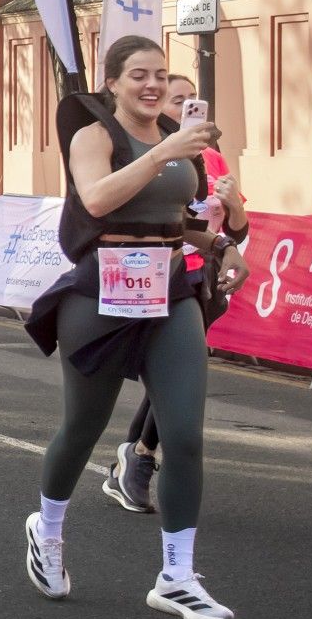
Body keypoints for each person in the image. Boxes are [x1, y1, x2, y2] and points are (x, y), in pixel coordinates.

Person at [23, 35, 250, 619]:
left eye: (160, 74)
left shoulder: (180, 140)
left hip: (169, 294)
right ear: (114, 84)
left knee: (185, 435)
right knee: (82, 427)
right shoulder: (95, 136)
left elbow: (177, 221)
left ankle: (177, 577)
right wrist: (162, 151)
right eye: (138, 75)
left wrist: (223, 246)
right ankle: (46, 529)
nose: (151, 85)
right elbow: (97, 200)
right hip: (99, 296)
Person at [104, 73, 250, 514]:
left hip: (198, 278)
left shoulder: (214, 159)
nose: (187, 108)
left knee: (180, 373)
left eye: (193, 100)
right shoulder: (139, 156)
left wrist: (235, 206)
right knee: (171, 375)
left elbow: (237, 230)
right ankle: (137, 456)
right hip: (147, 273)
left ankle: (138, 456)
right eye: (176, 100)